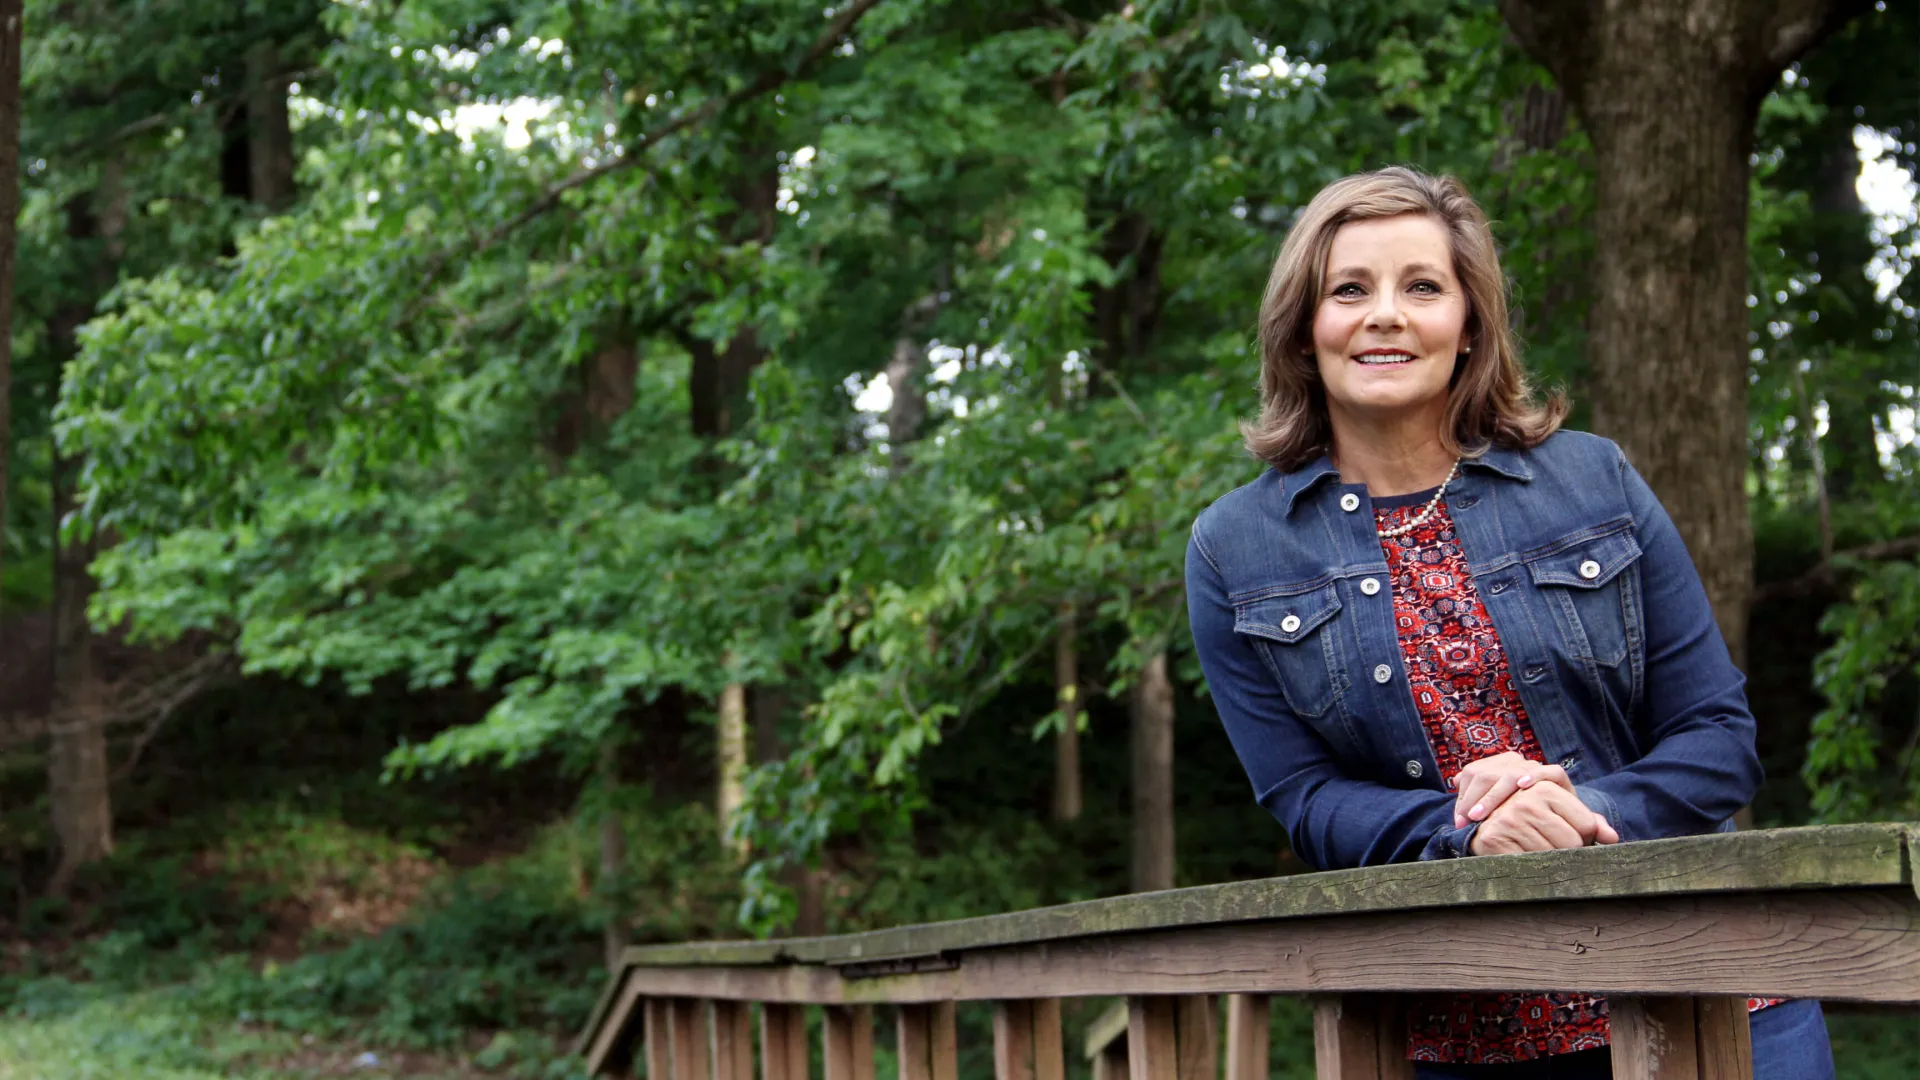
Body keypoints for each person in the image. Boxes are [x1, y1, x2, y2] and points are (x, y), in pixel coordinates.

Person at [1184, 166, 1834, 1078]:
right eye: (1348, 290)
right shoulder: (1235, 550)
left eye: (1422, 286)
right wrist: (1466, 829)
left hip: (1711, 994)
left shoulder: (1592, 479)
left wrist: (1580, 809)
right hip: (1460, 1033)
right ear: (1303, 329)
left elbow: (1719, 739)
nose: (1385, 315)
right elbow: (1306, 801)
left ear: (1469, 326)